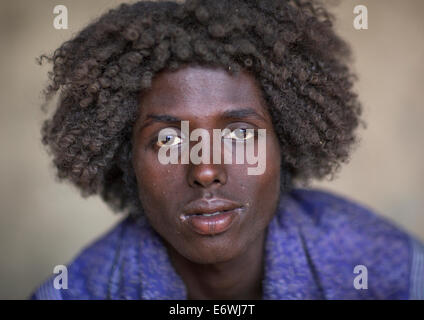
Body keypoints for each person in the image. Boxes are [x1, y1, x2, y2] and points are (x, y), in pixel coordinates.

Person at [31, 0, 424, 299]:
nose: (205, 171)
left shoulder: (375, 262)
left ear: (285, 142)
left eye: (238, 134)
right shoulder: (85, 288)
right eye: (169, 140)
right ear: (125, 159)